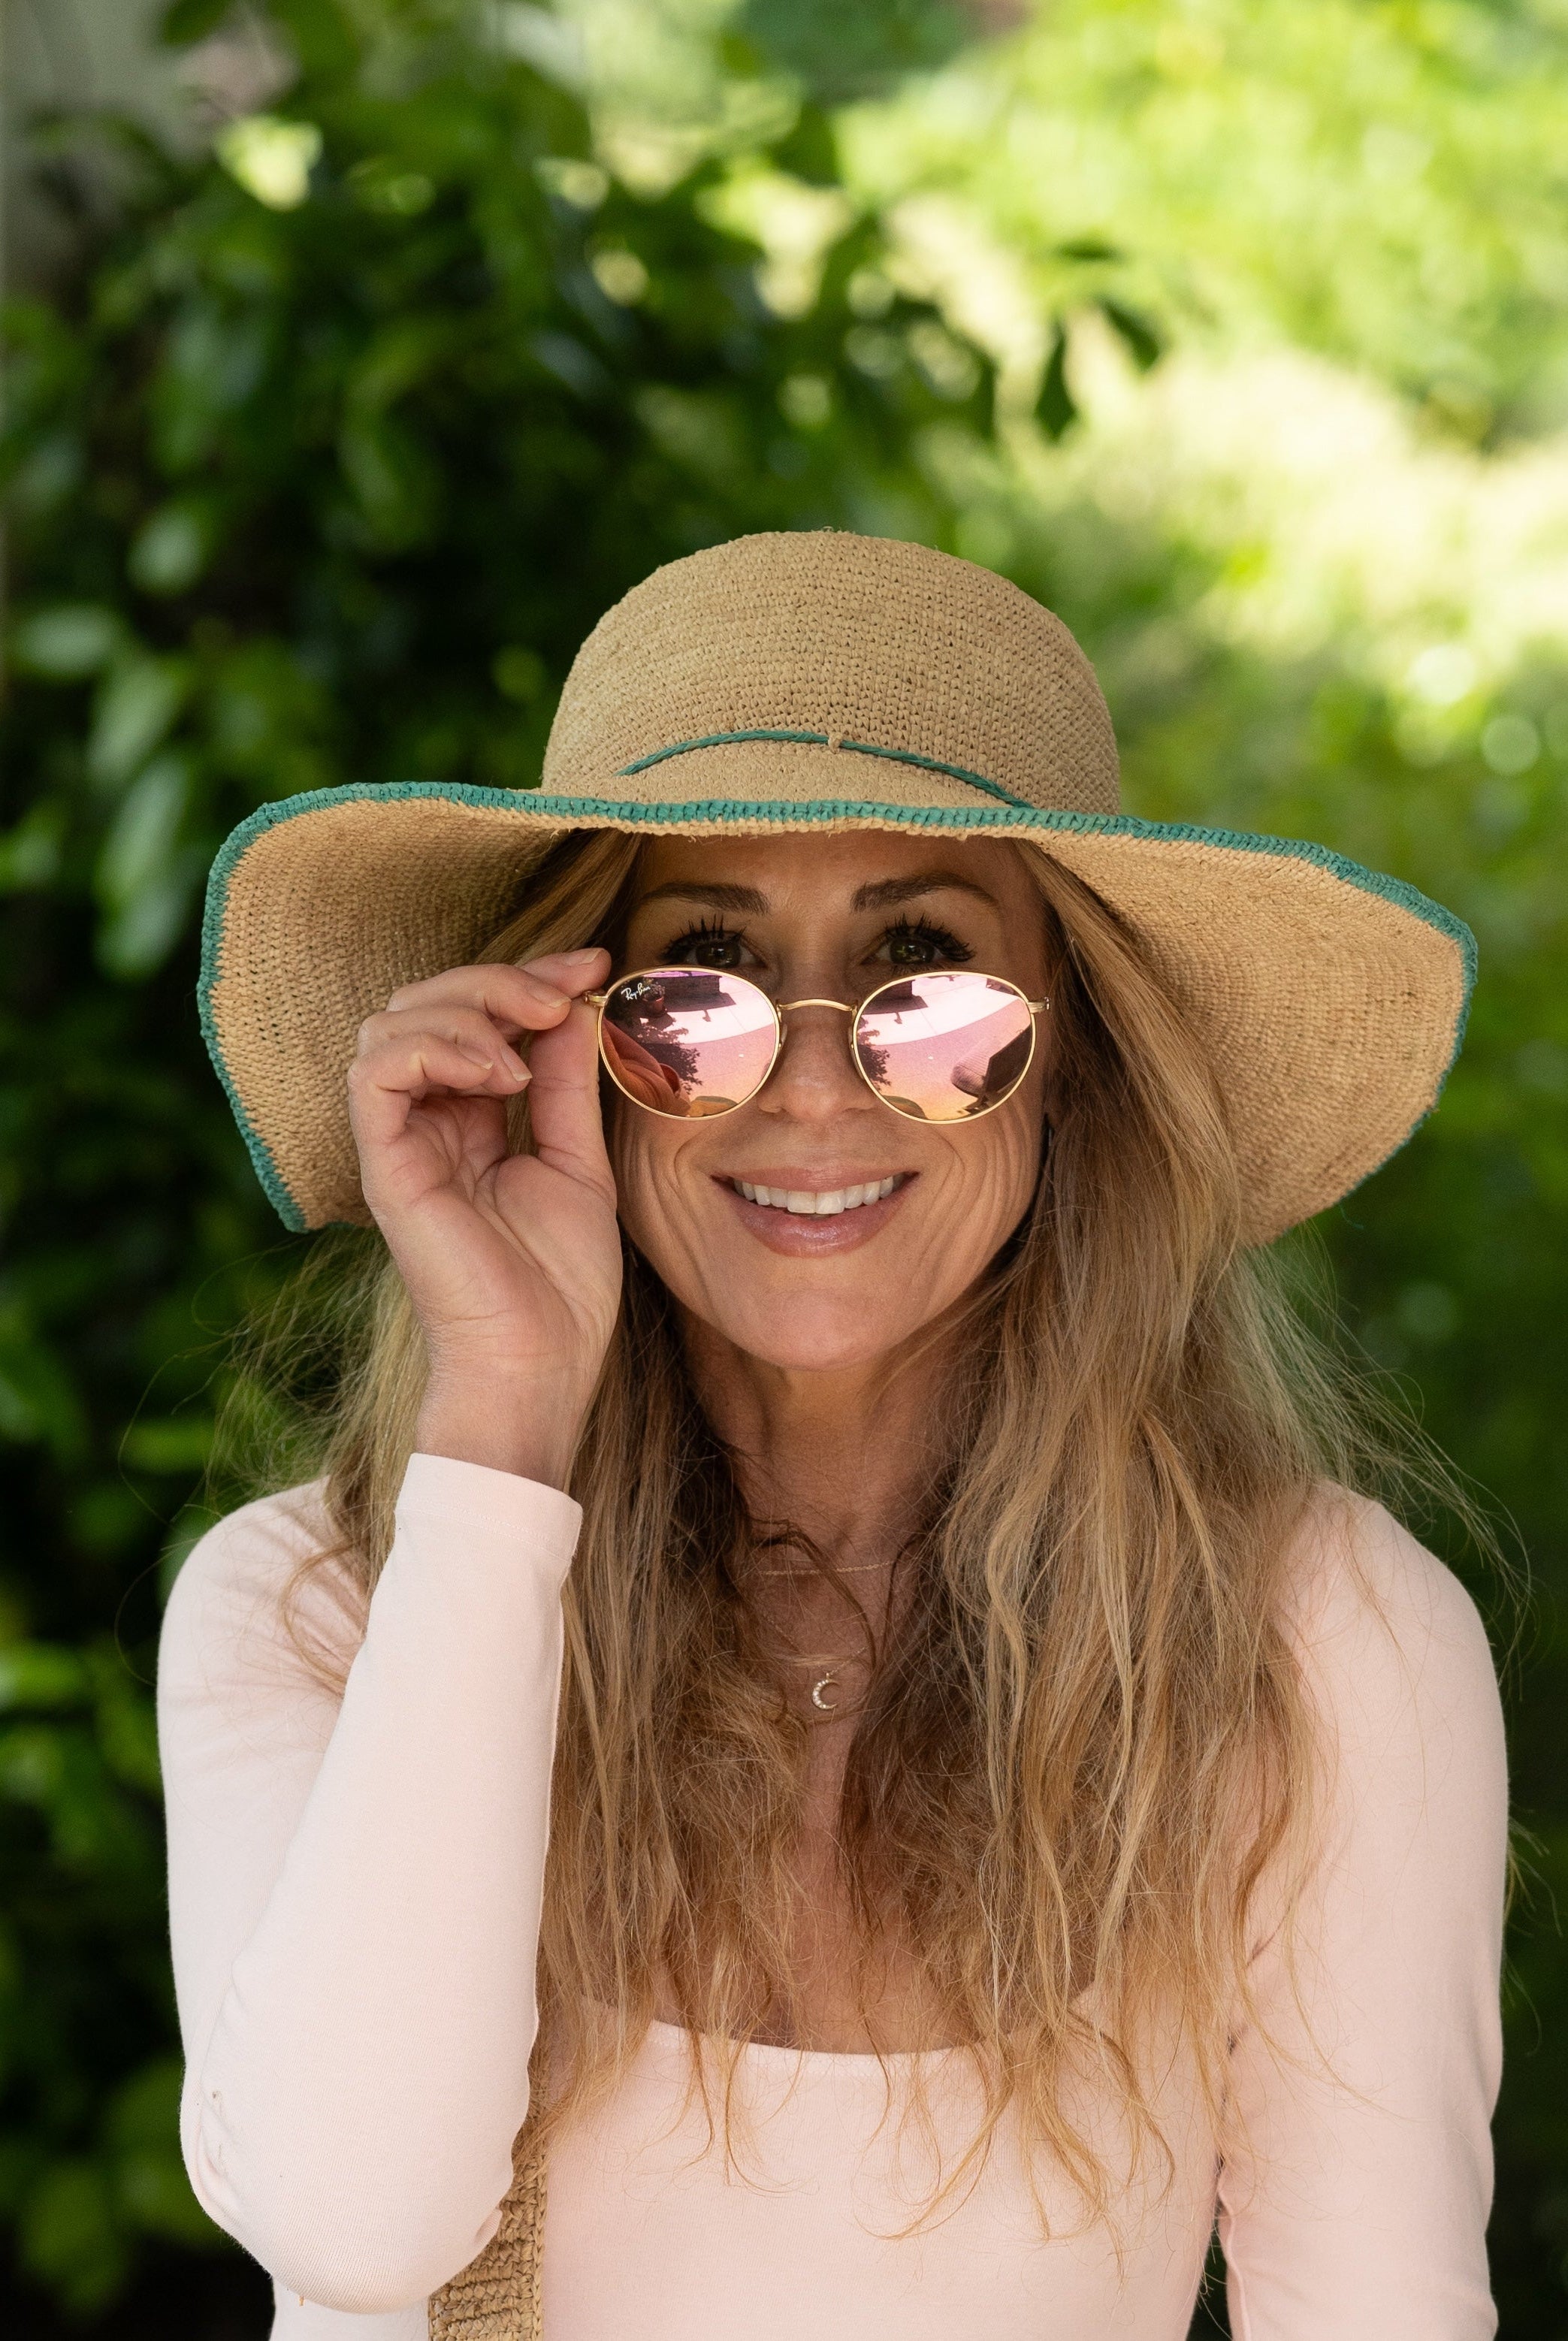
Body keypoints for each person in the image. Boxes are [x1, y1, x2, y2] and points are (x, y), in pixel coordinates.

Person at [160, 532, 1507, 2340]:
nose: (810, 1086)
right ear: (569, 1048)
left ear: (1075, 1059)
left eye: (928, 983)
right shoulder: (313, 1608)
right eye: (696, 984)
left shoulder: (1313, 1641)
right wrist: (501, 1421)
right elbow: (357, 2221)